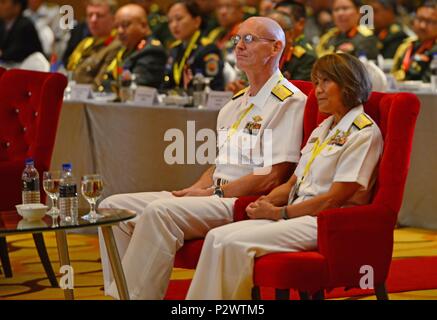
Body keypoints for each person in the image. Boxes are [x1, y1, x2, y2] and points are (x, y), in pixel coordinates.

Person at [99, 16, 308, 300]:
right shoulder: (234, 104)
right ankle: (121, 295)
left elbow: (272, 176)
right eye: (237, 39)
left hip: (240, 202)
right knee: (113, 208)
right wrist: (197, 189)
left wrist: (213, 192)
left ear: (275, 48)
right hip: (215, 194)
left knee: (160, 212)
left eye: (250, 39)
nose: (240, 46)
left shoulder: (289, 101)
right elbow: (220, 163)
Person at [186, 53, 384, 300]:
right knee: (216, 237)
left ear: (349, 84)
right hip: (296, 211)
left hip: (325, 222)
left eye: (326, 82)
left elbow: (333, 199)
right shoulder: (323, 128)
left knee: (234, 244)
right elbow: (292, 183)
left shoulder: (363, 132)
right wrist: (267, 202)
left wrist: (279, 213)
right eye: (316, 83)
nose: (317, 91)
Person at [161, 0, 225, 92]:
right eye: (170, 21)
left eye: (179, 19)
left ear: (196, 21)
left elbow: (214, 87)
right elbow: (166, 84)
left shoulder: (208, 49)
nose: (174, 25)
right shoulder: (174, 49)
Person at [103, 4, 167, 89]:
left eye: (125, 25)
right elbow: (106, 81)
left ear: (143, 26)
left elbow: (137, 85)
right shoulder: (124, 49)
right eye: (117, 26)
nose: (120, 31)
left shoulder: (152, 50)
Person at [66, 0, 122, 91]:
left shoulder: (116, 45)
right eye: (90, 15)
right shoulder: (85, 43)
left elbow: (100, 85)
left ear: (113, 19)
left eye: (99, 16)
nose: (93, 20)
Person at [391, 0, 437, 82]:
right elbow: (393, 76)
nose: (422, 26)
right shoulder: (407, 45)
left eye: (429, 21)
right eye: (419, 19)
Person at [273, 1, 317, 80]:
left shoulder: (306, 56)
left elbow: (299, 90)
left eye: (285, 16)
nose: (278, 20)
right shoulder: (271, 47)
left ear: (301, 23)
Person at [0, 0, 43, 64]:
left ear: (17, 7)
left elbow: (14, 53)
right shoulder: (2, 23)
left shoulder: (25, 25)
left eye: (3, 2)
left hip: (28, 69)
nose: (0, 6)